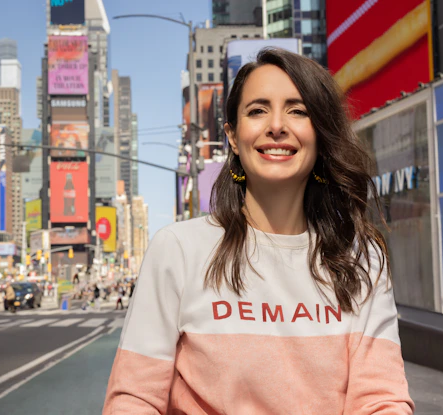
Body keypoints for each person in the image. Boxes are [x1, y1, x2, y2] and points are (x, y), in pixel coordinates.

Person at [103, 49, 414, 414]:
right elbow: (133, 400)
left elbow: (382, 401)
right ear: (232, 137)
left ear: (320, 133)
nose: (277, 125)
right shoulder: (178, 250)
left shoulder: (362, 259)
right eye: (257, 110)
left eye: (298, 110)